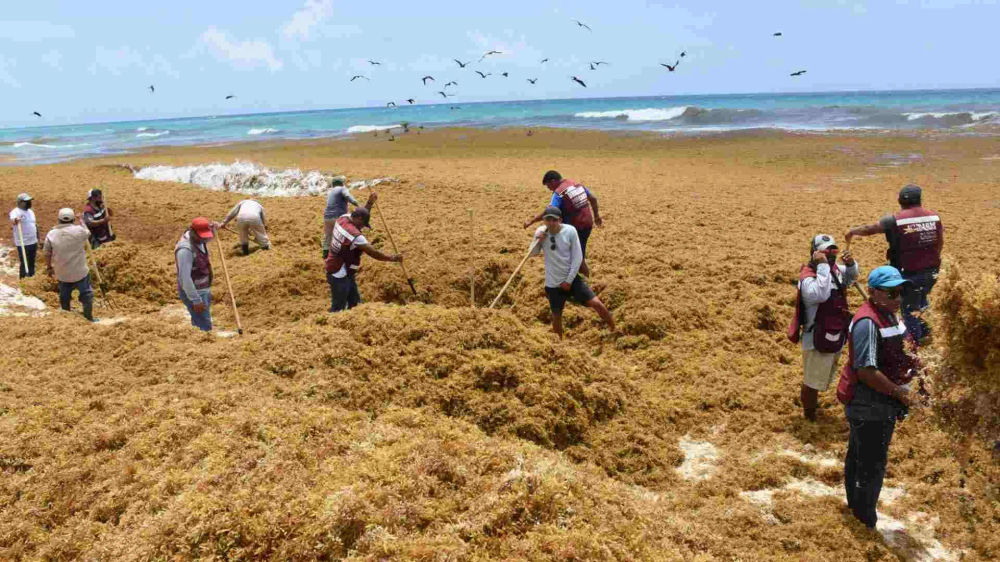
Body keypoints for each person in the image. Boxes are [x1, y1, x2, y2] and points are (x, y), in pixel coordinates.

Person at [836, 266, 919, 529]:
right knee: (870, 463)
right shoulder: (867, 323)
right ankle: (864, 519)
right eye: (891, 292)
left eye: (900, 292)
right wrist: (900, 393)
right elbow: (866, 370)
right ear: (872, 292)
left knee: (861, 455)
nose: (898, 298)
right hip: (868, 404)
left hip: (882, 401)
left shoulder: (892, 316)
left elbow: (902, 350)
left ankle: (856, 508)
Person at [845, 184, 943, 343]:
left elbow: (871, 229)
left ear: (900, 202)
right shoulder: (934, 217)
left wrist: (852, 231)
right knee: (921, 299)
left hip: (908, 272)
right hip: (931, 271)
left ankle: (914, 344)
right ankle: (926, 334)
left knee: (908, 308)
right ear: (919, 199)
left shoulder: (894, 220)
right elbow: (940, 243)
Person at [788, 235, 859, 421]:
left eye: (833, 250)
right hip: (816, 337)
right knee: (812, 381)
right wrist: (822, 266)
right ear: (815, 253)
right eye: (826, 251)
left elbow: (850, 279)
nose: (830, 254)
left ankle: (812, 407)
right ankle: (809, 416)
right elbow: (820, 294)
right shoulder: (808, 279)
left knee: (823, 375)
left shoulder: (833, 270)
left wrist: (851, 265)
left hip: (834, 333)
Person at [530, 206, 615, 338]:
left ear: (560, 220)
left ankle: (614, 329)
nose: (551, 223)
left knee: (596, 303)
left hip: (571, 278)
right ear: (544, 221)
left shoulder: (570, 231)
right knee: (556, 316)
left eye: (554, 220)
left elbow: (577, 258)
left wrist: (569, 280)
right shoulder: (541, 232)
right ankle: (559, 343)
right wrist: (538, 241)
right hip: (553, 283)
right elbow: (532, 254)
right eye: (548, 220)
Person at [524, 170, 603, 277]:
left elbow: (550, 212)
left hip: (576, 227)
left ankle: (584, 282)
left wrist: (531, 221)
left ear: (553, 181)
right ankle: (577, 278)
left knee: (576, 258)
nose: (550, 189)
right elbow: (593, 199)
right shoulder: (577, 185)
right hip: (587, 224)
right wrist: (597, 216)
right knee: (578, 254)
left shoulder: (559, 193)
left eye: (548, 186)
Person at [324, 207, 402, 312]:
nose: (362, 227)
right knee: (338, 308)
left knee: (355, 304)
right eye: (362, 224)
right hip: (338, 273)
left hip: (342, 269)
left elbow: (362, 213)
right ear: (359, 219)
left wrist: (369, 203)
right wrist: (392, 258)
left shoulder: (343, 218)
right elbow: (373, 252)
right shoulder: (354, 235)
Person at [43, 208, 95, 321]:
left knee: (64, 295)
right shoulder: (79, 230)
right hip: (79, 271)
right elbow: (88, 233)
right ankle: (88, 317)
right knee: (86, 294)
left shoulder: (51, 234)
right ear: (72, 220)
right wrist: (81, 220)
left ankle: (66, 316)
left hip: (62, 273)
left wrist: (49, 267)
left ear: (59, 220)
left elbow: (47, 253)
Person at [175, 217, 218, 331]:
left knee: (200, 320)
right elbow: (185, 278)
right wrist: (195, 300)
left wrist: (214, 228)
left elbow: (208, 236)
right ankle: (204, 345)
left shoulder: (199, 239)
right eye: (202, 237)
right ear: (193, 232)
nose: (205, 240)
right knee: (204, 326)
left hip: (203, 288)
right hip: (195, 292)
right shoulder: (185, 250)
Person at [322, 177, 376, 259]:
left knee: (328, 238)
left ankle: (326, 256)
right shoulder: (342, 188)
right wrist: (358, 205)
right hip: (339, 217)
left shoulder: (330, 192)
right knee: (347, 235)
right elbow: (348, 196)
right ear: (342, 184)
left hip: (327, 218)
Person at [9, 193, 39, 278]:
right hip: (23, 243)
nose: (29, 202)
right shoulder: (15, 212)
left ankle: (32, 278)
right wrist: (15, 220)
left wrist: (38, 238)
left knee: (32, 261)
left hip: (33, 241)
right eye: (27, 201)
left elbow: (35, 225)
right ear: (20, 202)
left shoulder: (31, 212)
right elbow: (13, 220)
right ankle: (23, 280)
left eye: (29, 201)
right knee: (24, 262)